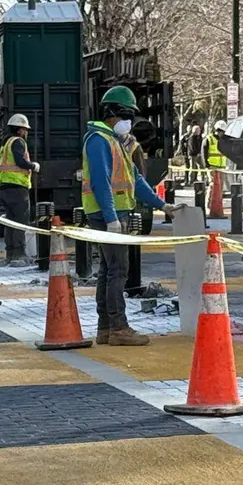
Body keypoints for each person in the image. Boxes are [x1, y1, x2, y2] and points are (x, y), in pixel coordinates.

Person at [82, 85, 168, 346]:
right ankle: (118, 327)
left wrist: (163, 206)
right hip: (107, 214)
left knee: (109, 270)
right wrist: (111, 219)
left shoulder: (114, 141)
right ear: (112, 114)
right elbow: (101, 182)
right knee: (117, 270)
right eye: (126, 115)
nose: (129, 122)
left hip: (111, 212)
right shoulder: (99, 140)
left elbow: (136, 180)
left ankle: (106, 328)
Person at [0, 113, 40, 263]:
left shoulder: (6, 143)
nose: (26, 132)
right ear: (20, 130)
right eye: (25, 129)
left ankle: (11, 252)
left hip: (5, 187)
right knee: (21, 220)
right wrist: (33, 166)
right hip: (17, 188)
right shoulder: (18, 142)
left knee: (10, 220)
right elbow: (20, 161)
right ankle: (19, 253)